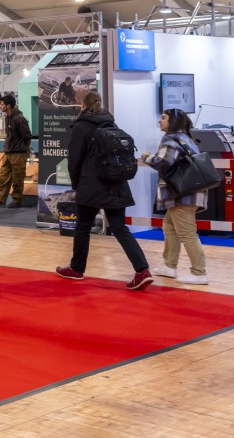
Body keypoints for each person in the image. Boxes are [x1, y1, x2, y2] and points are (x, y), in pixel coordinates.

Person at [56, 91, 153, 290]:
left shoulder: (81, 126)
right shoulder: (111, 124)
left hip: (91, 185)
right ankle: (143, 270)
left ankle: (76, 269)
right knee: (120, 228)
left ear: (83, 105)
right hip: (116, 184)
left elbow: (74, 160)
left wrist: (77, 185)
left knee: (83, 227)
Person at [140, 109, 208, 285]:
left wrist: (149, 158)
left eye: (163, 118)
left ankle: (199, 272)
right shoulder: (186, 138)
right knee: (169, 227)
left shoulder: (170, 140)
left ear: (173, 121)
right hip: (188, 192)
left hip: (181, 194)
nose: (160, 121)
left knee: (187, 233)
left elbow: (164, 162)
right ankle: (169, 266)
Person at [0, 94, 31, 208]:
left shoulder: (19, 118)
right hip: (8, 152)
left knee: (18, 178)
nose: (0, 106)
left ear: (8, 105)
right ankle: (0, 199)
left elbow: (27, 135)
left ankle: (16, 200)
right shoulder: (7, 118)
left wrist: (22, 147)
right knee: (3, 176)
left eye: (2, 104)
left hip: (18, 153)